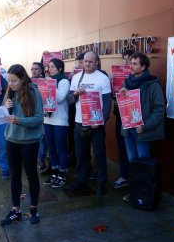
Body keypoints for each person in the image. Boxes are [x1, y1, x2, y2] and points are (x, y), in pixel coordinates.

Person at [1, 64, 44, 225]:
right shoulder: (10, 93)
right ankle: (15, 211)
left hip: (29, 142)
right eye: (9, 81)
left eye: (14, 81)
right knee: (14, 176)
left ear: (23, 79)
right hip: (11, 139)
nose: (10, 84)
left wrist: (19, 120)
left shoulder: (34, 93)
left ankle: (34, 209)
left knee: (31, 174)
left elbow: (39, 119)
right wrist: (5, 108)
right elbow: (4, 116)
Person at [119, 52, 165, 202]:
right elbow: (122, 107)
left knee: (143, 162)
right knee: (132, 162)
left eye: (135, 63)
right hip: (128, 130)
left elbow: (159, 110)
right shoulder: (127, 83)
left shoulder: (153, 85)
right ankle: (134, 192)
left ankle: (144, 195)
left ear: (143, 66)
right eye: (131, 63)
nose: (131, 66)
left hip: (142, 131)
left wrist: (145, 126)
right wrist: (122, 95)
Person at [65, 51, 112, 195]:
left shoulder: (103, 79)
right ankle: (80, 181)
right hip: (79, 122)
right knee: (81, 155)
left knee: (99, 155)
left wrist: (101, 121)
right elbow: (69, 100)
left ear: (97, 62)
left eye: (90, 61)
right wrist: (75, 94)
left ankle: (101, 185)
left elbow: (107, 103)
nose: (87, 64)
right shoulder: (77, 78)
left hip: (96, 124)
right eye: (85, 61)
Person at [41, 58, 70, 188]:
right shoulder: (47, 81)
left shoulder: (64, 81)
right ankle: (54, 172)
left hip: (60, 120)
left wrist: (51, 84)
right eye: (49, 66)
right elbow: (42, 98)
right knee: (51, 148)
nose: (50, 69)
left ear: (60, 69)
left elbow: (59, 98)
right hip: (47, 119)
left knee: (60, 148)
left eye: (53, 66)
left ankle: (62, 174)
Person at [112, 49, 134, 189]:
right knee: (122, 146)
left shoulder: (136, 78)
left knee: (133, 150)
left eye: (129, 59)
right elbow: (114, 98)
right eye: (124, 59)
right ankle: (123, 175)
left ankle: (134, 178)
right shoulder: (119, 77)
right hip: (120, 116)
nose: (126, 62)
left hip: (133, 117)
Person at [30, 62, 48, 170]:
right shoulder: (27, 81)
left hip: (44, 112)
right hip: (31, 113)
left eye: (36, 69)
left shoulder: (46, 81)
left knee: (42, 138)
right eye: (32, 69)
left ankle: (42, 159)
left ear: (41, 70)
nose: (34, 71)